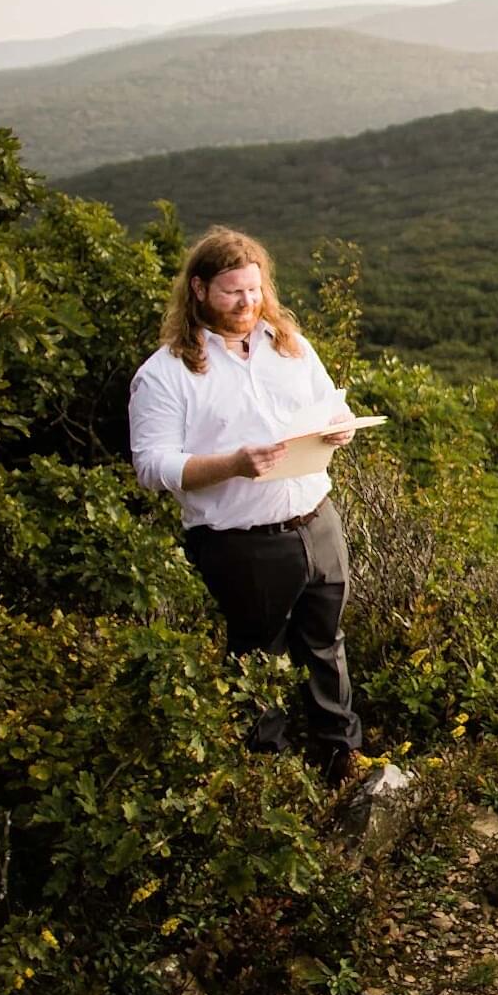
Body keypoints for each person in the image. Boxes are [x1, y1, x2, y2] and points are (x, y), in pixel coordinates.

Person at [128, 226, 365, 786]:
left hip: (317, 521)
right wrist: (233, 463)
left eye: (255, 290)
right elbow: (152, 467)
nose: (247, 303)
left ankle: (342, 762)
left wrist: (339, 429)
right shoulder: (165, 373)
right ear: (200, 290)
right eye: (233, 292)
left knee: (327, 646)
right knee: (259, 661)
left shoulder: (290, 344)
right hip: (242, 542)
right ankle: (266, 782)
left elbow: (330, 405)